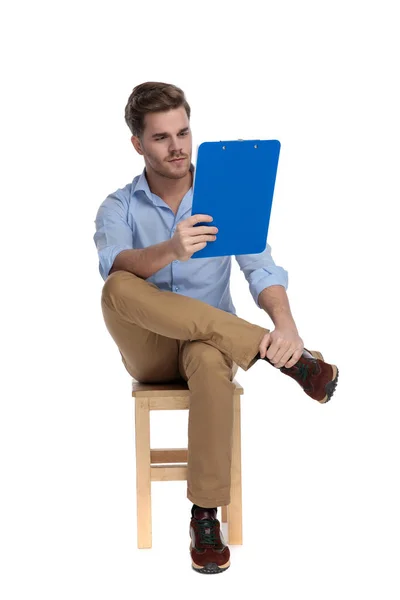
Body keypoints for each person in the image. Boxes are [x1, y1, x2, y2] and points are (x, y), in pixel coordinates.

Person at [93, 81, 339, 575]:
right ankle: (268, 354)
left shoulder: (224, 197)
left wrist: (287, 327)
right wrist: (171, 250)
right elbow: (116, 265)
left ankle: (205, 515)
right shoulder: (118, 206)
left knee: (208, 357)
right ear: (138, 144)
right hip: (149, 348)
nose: (178, 146)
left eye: (183, 132)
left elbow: (260, 268)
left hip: (209, 344)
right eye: (161, 137)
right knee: (117, 288)